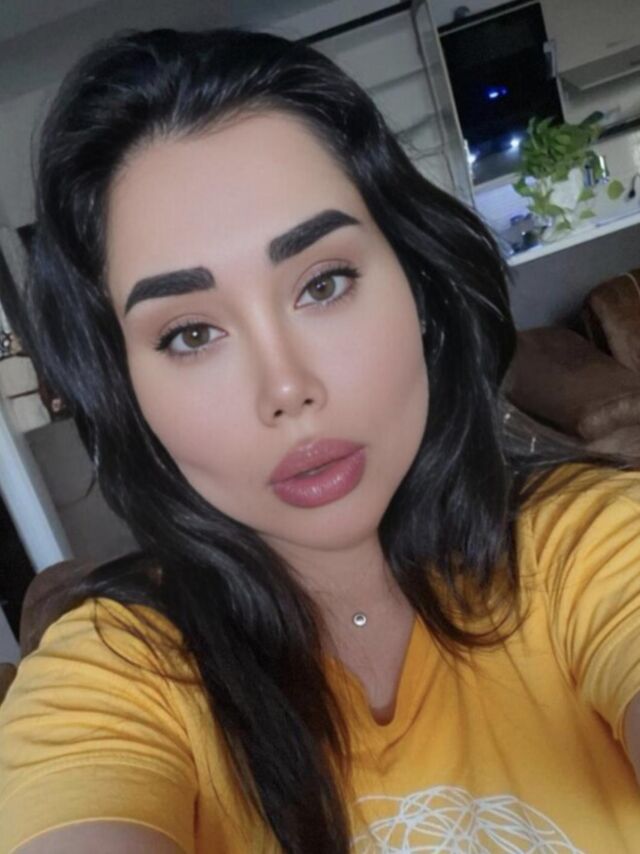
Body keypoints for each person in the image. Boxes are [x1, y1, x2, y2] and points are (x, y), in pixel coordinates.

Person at [0, 27, 639, 854]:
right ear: (125, 391)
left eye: (324, 283)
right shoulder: (113, 676)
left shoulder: (595, 545)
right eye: (190, 334)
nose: (287, 388)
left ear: (418, 287)